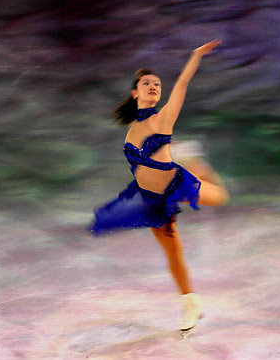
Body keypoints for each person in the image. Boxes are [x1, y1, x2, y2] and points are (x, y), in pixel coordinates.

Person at [88, 39, 230, 337]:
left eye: (156, 84)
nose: (153, 87)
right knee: (173, 252)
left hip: (178, 184)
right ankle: (191, 301)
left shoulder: (163, 118)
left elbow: (182, 83)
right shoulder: (131, 130)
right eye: (147, 83)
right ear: (135, 92)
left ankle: (199, 167)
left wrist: (195, 55)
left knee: (222, 197)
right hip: (152, 199)